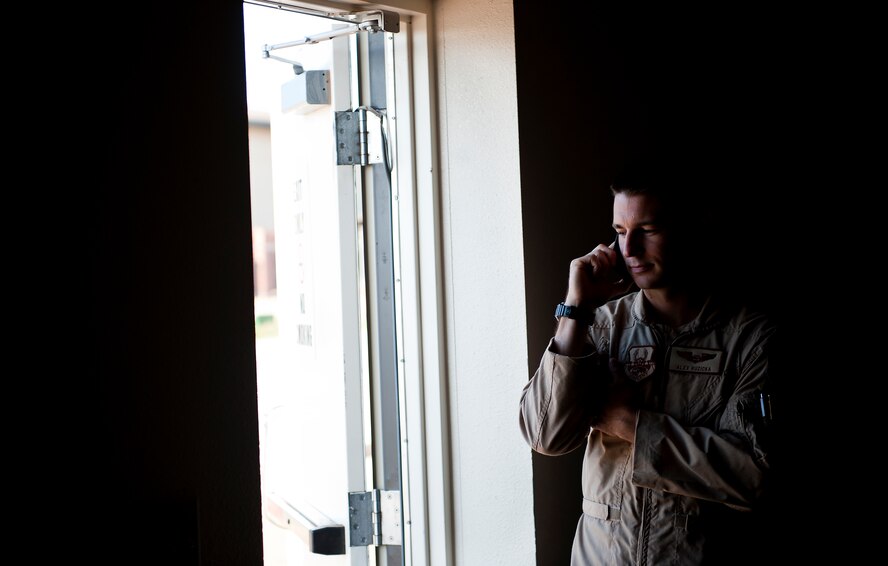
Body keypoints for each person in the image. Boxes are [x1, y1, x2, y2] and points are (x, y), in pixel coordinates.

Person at [518, 161, 778, 565]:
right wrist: (575, 309)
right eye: (620, 233)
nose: (630, 250)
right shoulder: (601, 325)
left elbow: (754, 476)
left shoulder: (749, 338)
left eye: (648, 231)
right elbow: (544, 435)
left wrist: (628, 423)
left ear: (689, 228)